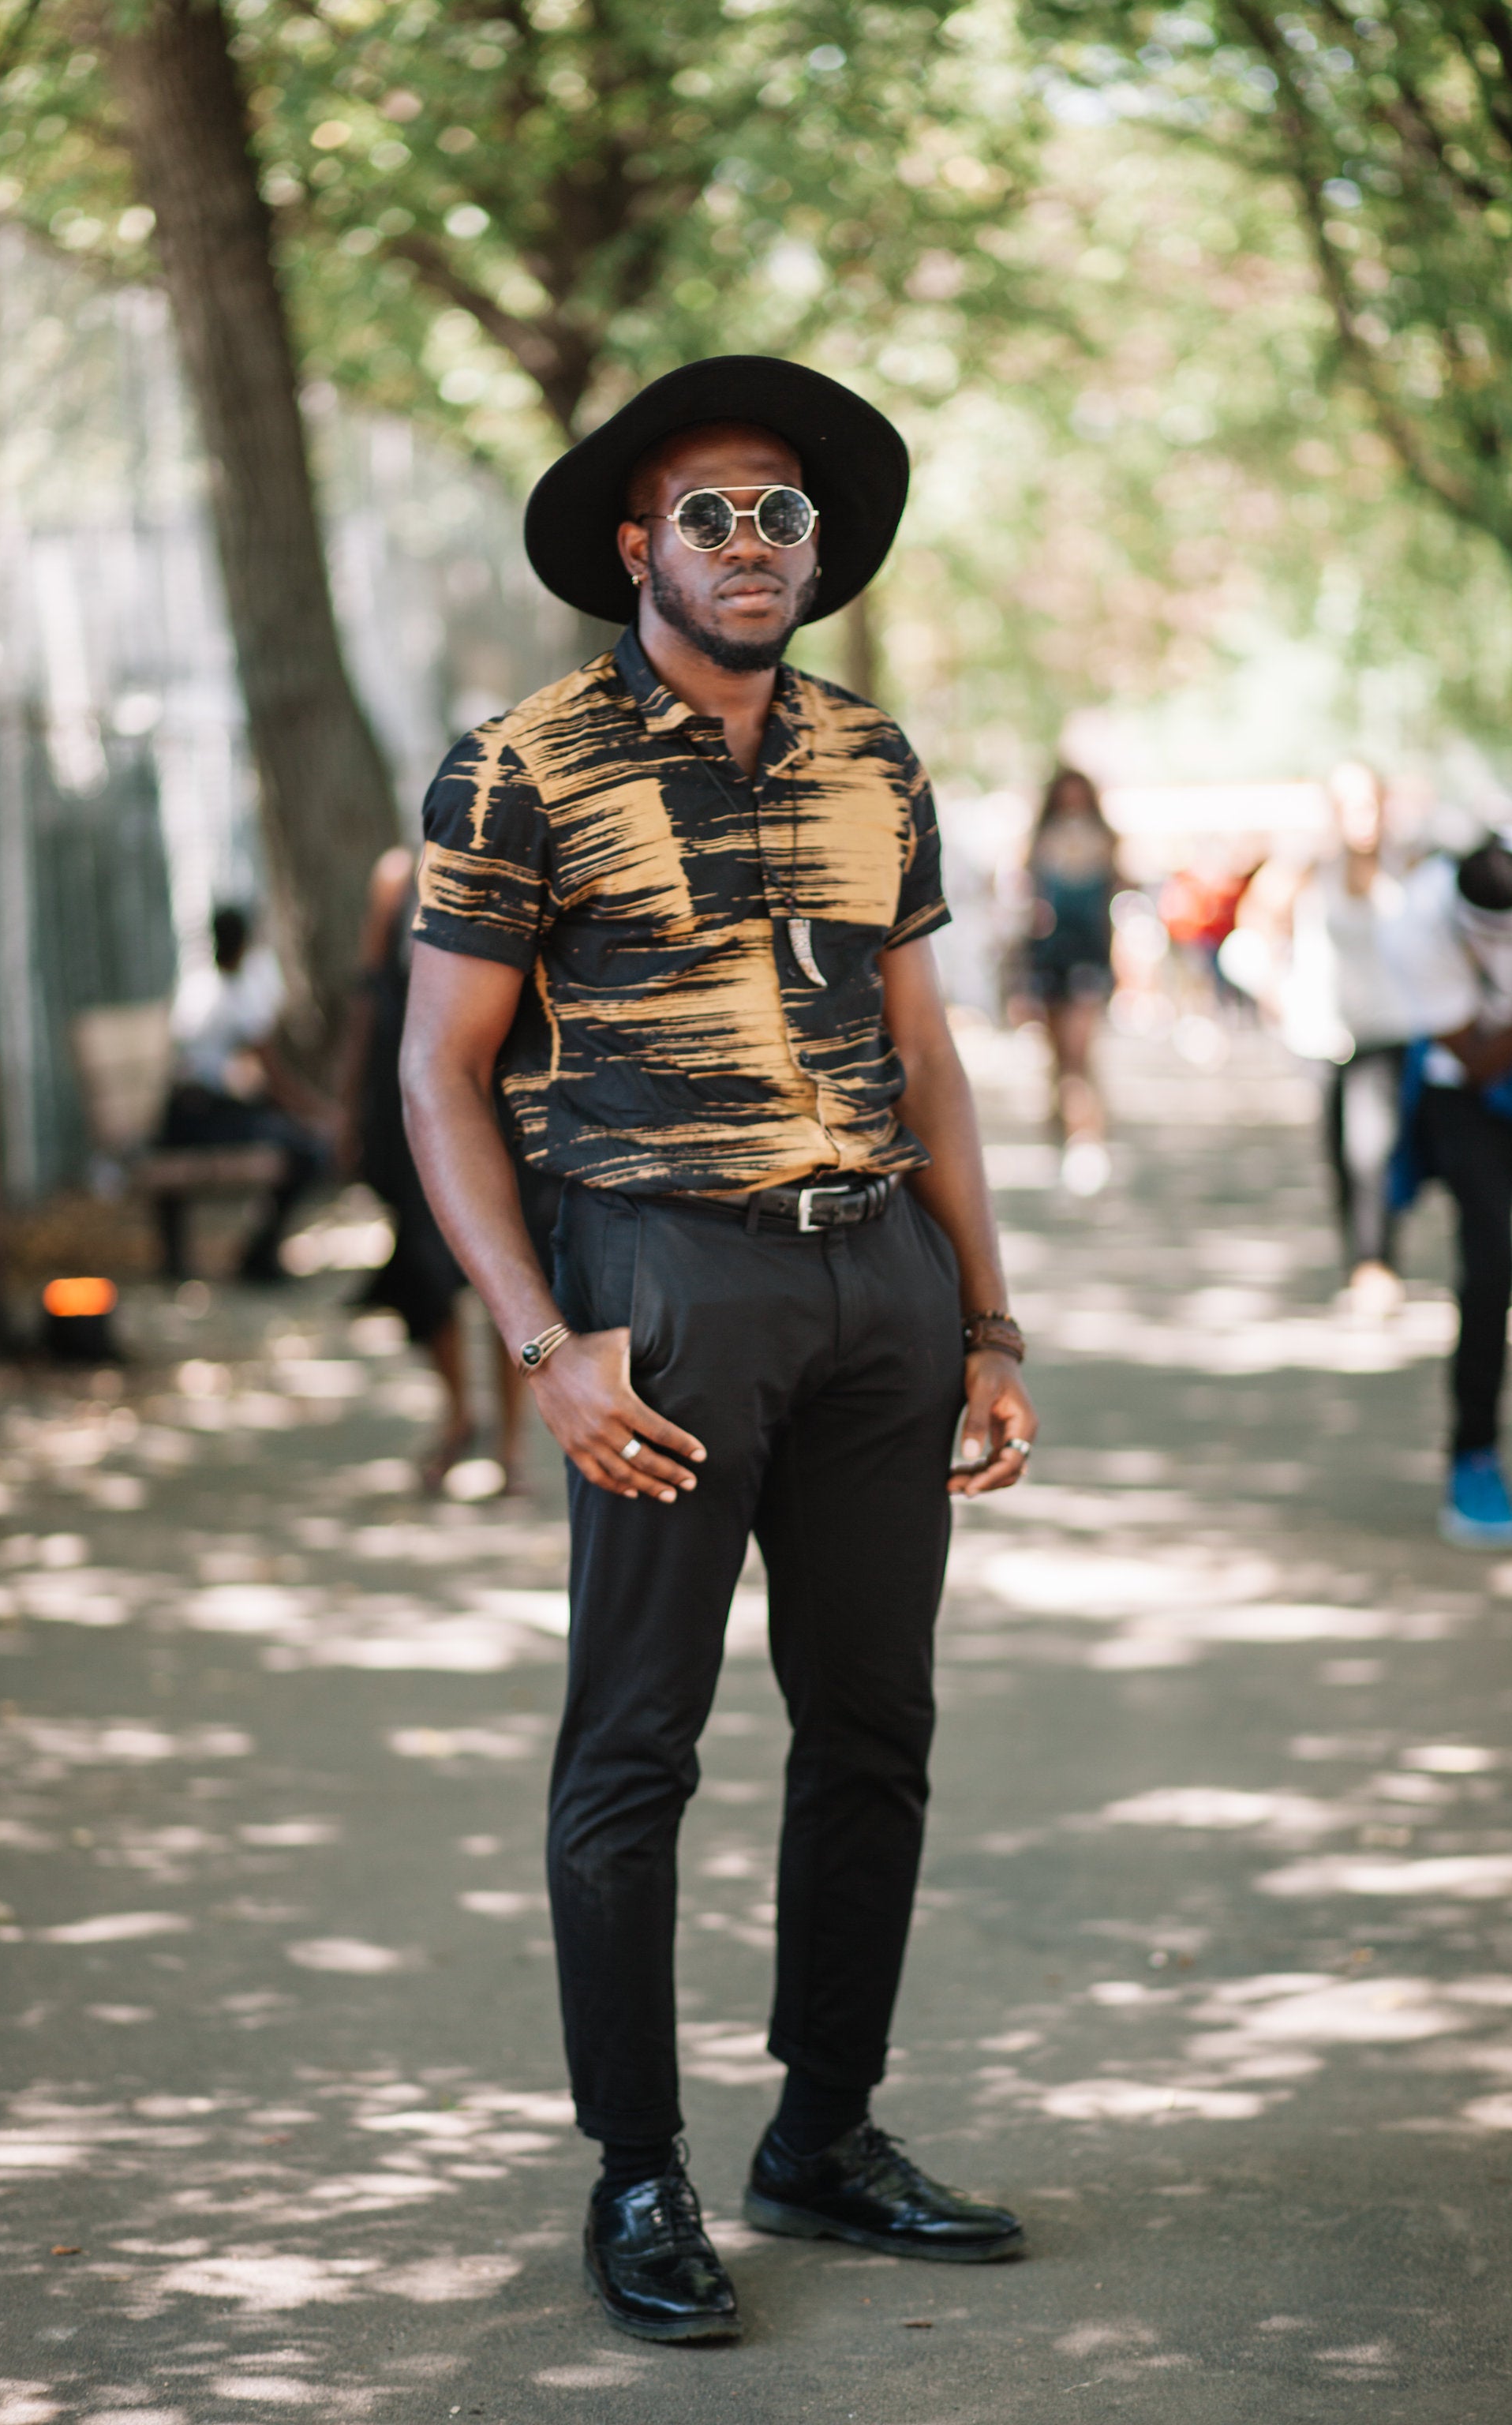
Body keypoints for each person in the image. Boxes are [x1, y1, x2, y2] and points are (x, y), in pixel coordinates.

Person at [399, 356, 1035, 2345]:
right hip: (659, 1289)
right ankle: (639, 2168)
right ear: (631, 546)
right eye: (708, 513)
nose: (748, 543)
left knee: (874, 1729)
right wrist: (539, 1341)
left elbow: (924, 1050)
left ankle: (822, 2131)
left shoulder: (873, 755)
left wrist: (987, 1314)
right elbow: (437, 1069)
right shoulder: (521, 764)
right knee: (635, 1748)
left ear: (814, 547)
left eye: (778, 512)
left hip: (877, 1288)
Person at [339, 847, 537, 1493]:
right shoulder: (396, 876)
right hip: (421, 1107)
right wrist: (350, 1103)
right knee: (424, 1275)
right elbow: (371, 995)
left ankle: (510, 1449)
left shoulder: (521, 860)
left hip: (508, 1104)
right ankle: (460, 1419)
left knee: (512, 1271)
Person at [1233, 762, 1416, 1317]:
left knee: (1374, 1148)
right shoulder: (1307, 867)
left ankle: (1377, 1263)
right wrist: (1275, 993)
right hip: (1322, 1034)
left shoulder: (1409, 864)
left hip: (1389, 1031)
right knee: (1339, 1152)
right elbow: (1253, 928)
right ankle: (1358, 1257)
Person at [1386, 835, 1512, 1545]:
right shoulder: (1416, 922)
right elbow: (1474, 1058)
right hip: (1464, 1096)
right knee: (1491, 1266)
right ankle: (1474, 1455)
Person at [155, 905, 331, 1283]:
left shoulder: (195, 985)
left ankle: (181, 1258)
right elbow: (275, 1076)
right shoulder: (237, 996)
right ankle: (259, 1256)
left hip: (175, 1117)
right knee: (306, 1153)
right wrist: (318, 1115)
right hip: (205, 1119)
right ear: (246, 944)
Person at [1016, 767, 1118, 1198]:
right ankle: (1069, 1136)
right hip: (1047, 956)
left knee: (1077, 1051)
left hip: (1087, 955)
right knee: (1059, 1055)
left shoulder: (1104, 843)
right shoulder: (1039, 845)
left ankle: (1085, 1139)